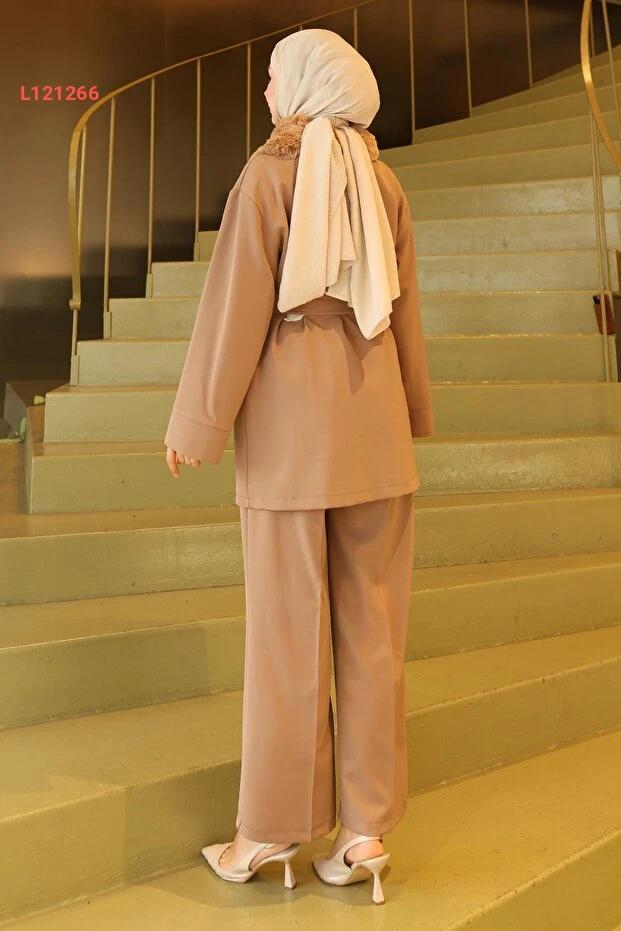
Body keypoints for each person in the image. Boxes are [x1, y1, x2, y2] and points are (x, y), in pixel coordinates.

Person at [164, 27, 434, 906]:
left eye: (275, 77)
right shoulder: (383, 181)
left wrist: (197, 423)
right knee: (373, 631)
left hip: (290, 442)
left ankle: (271, 829)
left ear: (307, 85)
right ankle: (364, 831)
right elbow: (403, 310)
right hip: (376, 432)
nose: (267, 92)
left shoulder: (268, 176)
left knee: (287, 636)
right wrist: (413, 411)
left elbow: (234, 306)